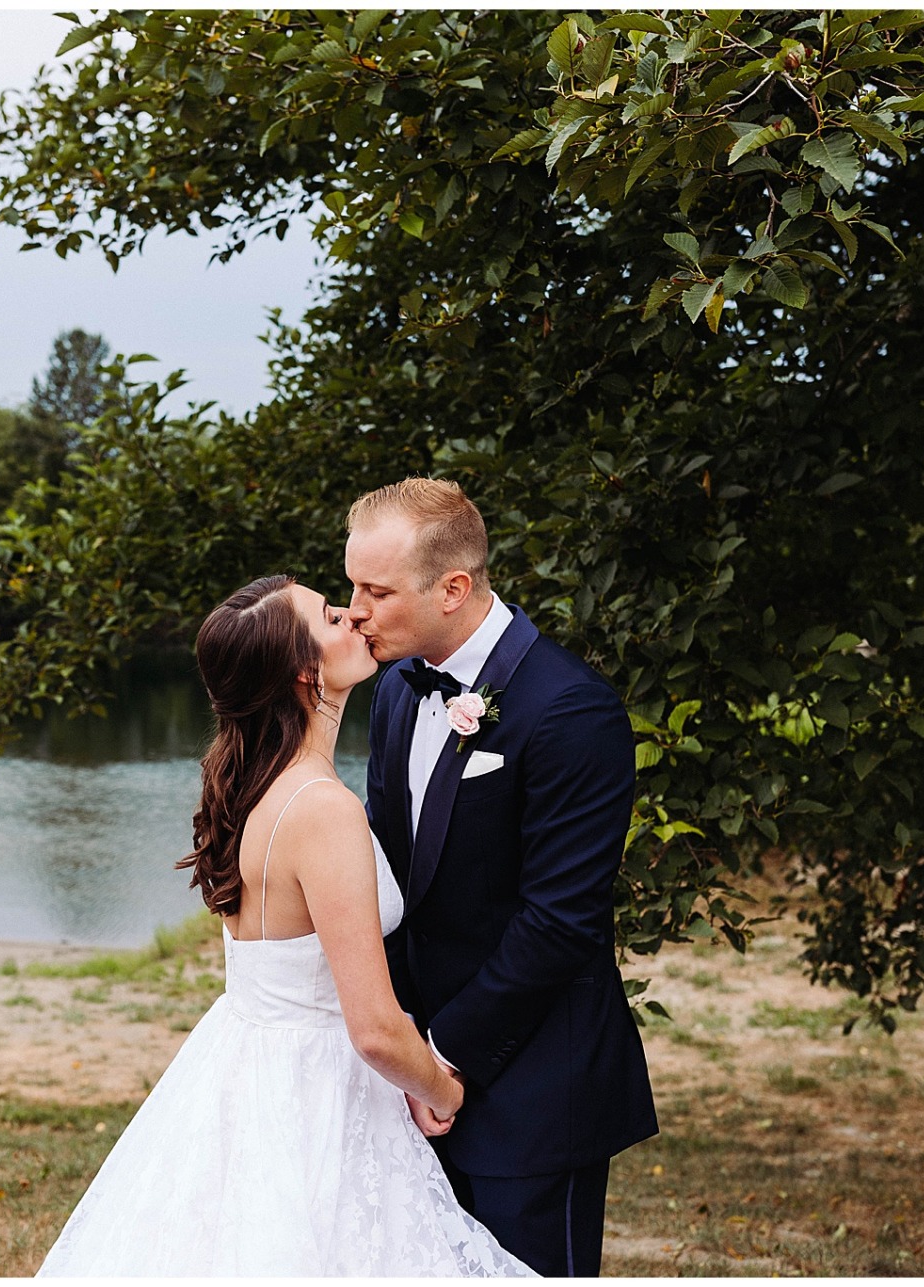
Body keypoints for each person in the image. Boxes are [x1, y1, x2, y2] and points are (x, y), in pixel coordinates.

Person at [36, 573, 534, 1276]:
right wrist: (443, 1089)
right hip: (319, 1092)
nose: (356, 615)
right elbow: (374, 1025)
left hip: (248, 1068)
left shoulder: (256, 786)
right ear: (306, 670)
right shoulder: (321, 809)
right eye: (334, 615)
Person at [345, 478, 658, 1278]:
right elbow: (390, 879)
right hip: (412, 1089)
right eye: (351, 586)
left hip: (535, 1090)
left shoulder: (571, 710)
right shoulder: (392, 691)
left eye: (375, 590)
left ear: (454, 588)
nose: (354, 610)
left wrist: (442, 1058)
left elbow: (560, 921)